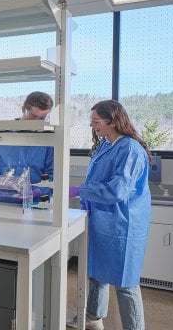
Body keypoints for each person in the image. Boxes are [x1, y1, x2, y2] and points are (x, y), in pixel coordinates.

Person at [67, 100, 151, 330]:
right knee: (97, 272)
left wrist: (78, 190)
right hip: (102, 219)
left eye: (96, 121)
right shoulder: (106, 145)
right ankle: (93, 317)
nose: (91, 125)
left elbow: (117, 190)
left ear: (112, 122)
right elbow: (97, 180)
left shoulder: (130, 149)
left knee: (126, 282)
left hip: (124, 224)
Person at [0, 91, 55, 184]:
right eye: (33, 116)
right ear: (23, 109)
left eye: (42, 118)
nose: (36, 122)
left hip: (35, 194)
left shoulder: (48, 138)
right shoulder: (1, 132)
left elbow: (52, 172)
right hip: (1, 193)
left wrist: (41, 190)